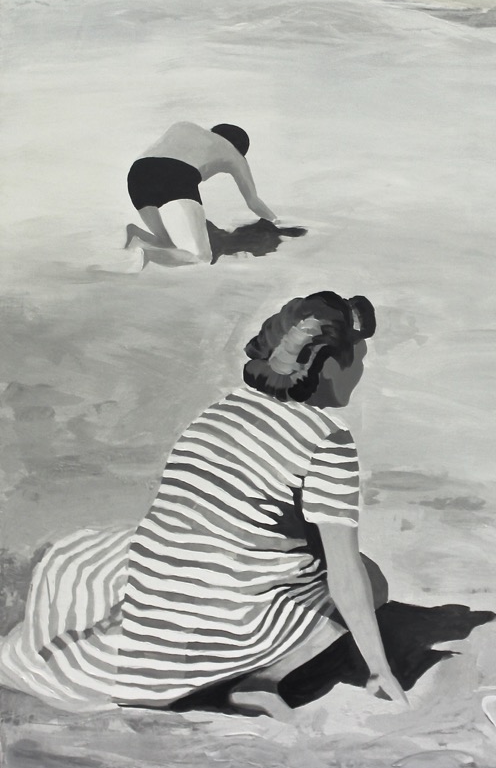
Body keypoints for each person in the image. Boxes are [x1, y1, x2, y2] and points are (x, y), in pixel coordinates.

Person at [0, 291, 407, 717]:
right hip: (220, 631)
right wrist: (379, 669)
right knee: (370, 580)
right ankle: (263, 680)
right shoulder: (327, 438)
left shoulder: (217, 413)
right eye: (358, 360)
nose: (361, 371)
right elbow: (344, 574)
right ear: (330, 367)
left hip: (156, 619)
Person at [124, 121, 278, 267]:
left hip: (137, 174)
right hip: (176, 175)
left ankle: (137, 236)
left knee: (166, 245)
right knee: (203, 257)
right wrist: (276, 222)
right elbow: (253, 202)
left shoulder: (184, 127)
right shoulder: (235, 154)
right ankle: (148, 253)